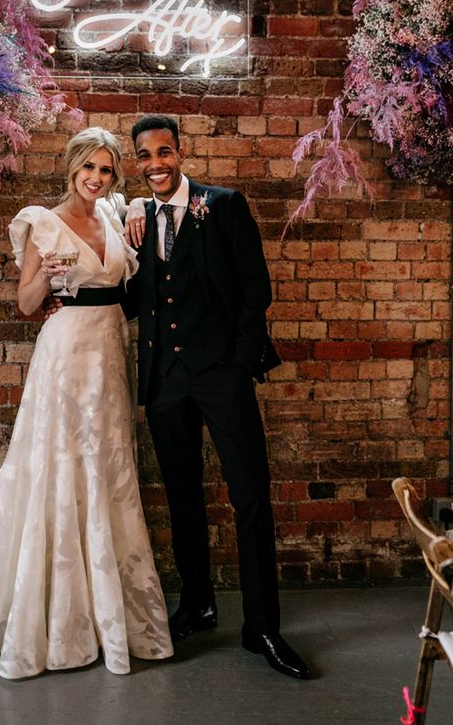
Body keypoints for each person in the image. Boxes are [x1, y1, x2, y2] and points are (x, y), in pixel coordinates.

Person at [0, 127, 173, 681]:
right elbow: (25, 306)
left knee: (107, 470)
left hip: (109, 354)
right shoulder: (41, 221)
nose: (96, 178)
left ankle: (105, 609)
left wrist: (139, 201)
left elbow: (143, 217)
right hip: (64, 352)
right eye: (88, 168)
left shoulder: (117, 217)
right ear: (71, 168)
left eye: (105, 170)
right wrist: (43, 279)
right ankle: (49, 607)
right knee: (57, 465)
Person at [125, 113, 310, 680]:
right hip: (165, 381)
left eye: (164, 152)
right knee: (183, 496)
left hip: (220, 376)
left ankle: (263, 628)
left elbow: (257, 287)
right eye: (145, 157)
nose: (155, 164)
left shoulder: (223, 204)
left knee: (250, 496)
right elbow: (135, 301)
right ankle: (198, 603)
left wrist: (237, 363)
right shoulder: (137, 219)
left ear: (181, 152)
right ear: (137, 164)